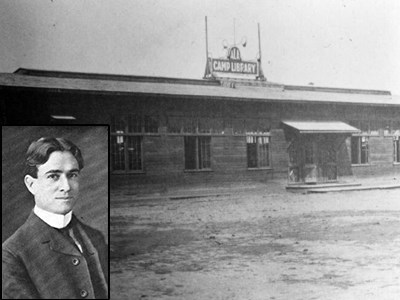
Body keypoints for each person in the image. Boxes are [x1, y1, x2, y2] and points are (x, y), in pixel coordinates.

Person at [2, 137, 108, 299]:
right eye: (53, 176)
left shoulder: (95, 237)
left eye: (72, 175)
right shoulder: (11, 254)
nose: (66, 187)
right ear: (31, 185)